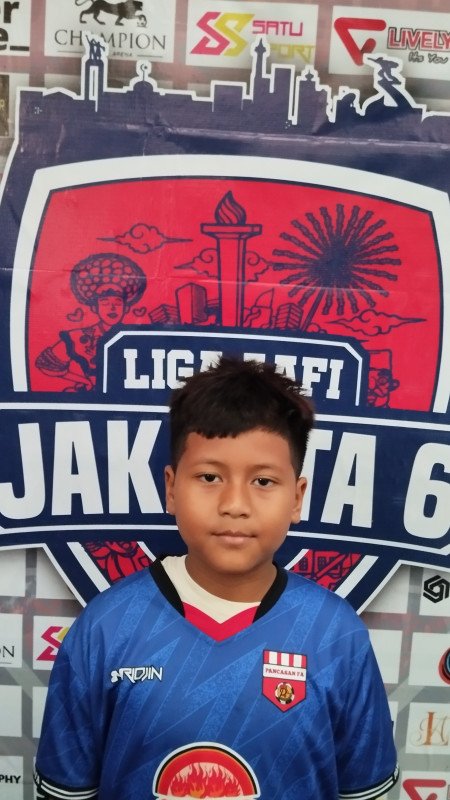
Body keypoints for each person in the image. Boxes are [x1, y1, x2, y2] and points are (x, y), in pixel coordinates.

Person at [34, 357, 398, 800]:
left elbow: (364, 788)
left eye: (263, 481)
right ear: (171, 488)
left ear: (297, 497)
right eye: (209, 477)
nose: (234, 504)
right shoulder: (106, 628)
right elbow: (68, 789)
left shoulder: (335, 635)